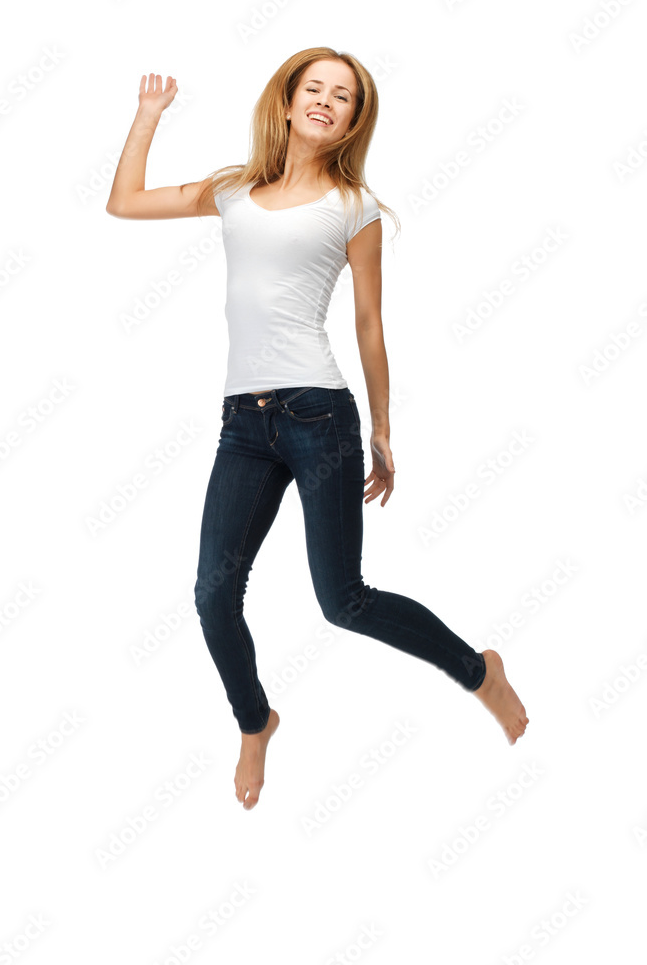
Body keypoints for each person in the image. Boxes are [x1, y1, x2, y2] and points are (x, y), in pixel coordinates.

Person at [106, 47, 528, 811]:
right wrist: (145, 119)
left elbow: (369, 322)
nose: (328, 101)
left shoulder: (354, 206)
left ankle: (479, 672)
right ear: (290, 100)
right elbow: (125, 203)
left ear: (353, 121)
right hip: (243, 422)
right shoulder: (235, 189)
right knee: (212, 593)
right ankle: (255, 720)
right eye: (317, 88)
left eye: (345, 96)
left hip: (320, 415)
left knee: (343, 601)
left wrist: (385, 428)